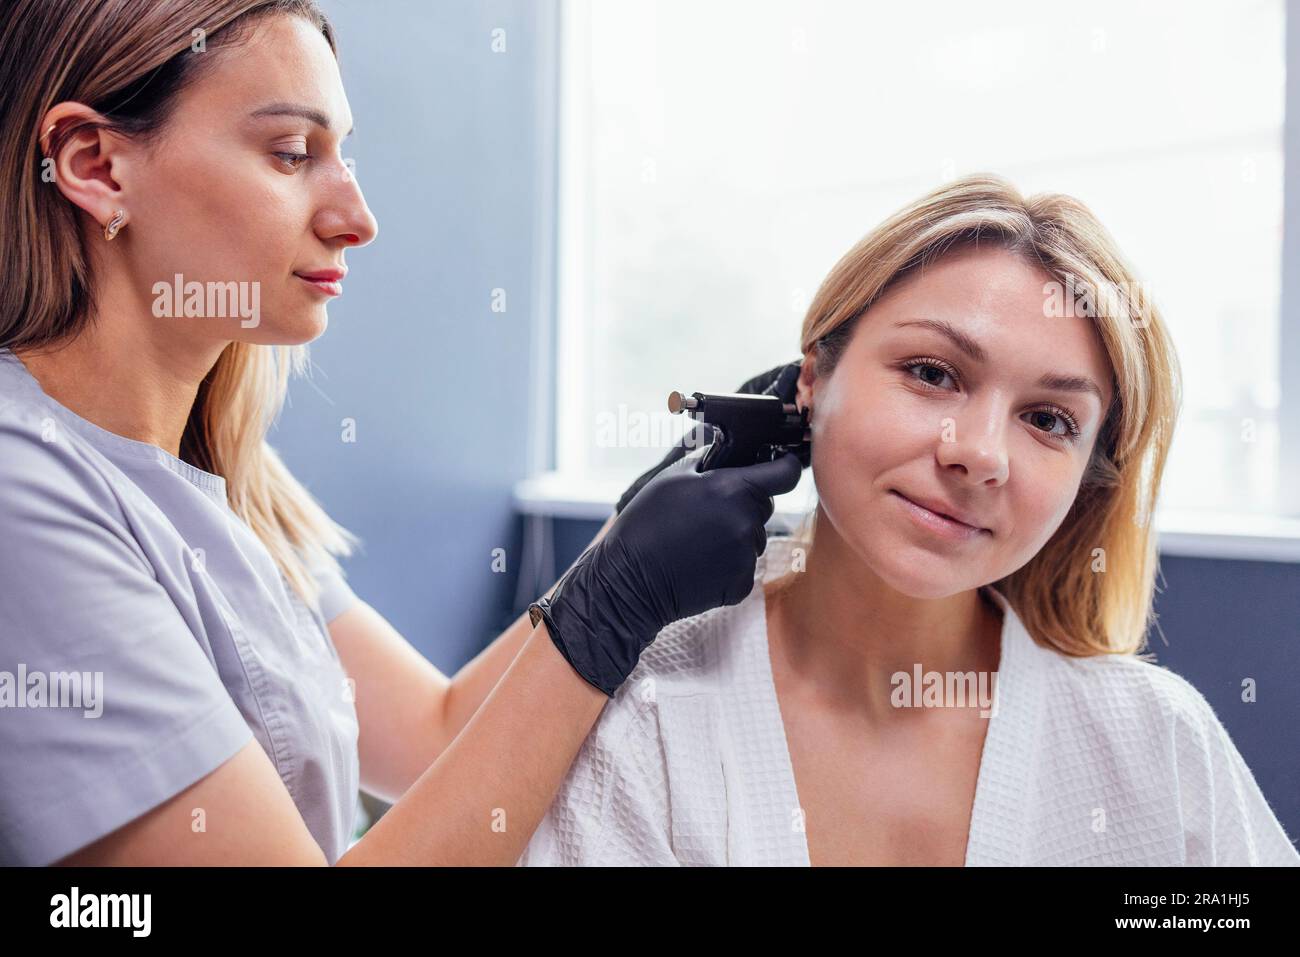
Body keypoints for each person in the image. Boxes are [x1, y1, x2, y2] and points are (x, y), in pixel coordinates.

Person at [0, 0, 804, 866]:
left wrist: (627, 528)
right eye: (290, 154)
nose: (357, 216)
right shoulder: (24, 492)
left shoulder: (225, 471)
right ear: (96, 167)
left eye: (342, 154)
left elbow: (433, 736)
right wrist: (609, 608)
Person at [518, 174, 1300, 866]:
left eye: (1049, 420)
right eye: (932, 372)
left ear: (1089, 481)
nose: (980, 453)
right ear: (812, 379)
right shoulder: (649, 718)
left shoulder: (1157, 747)